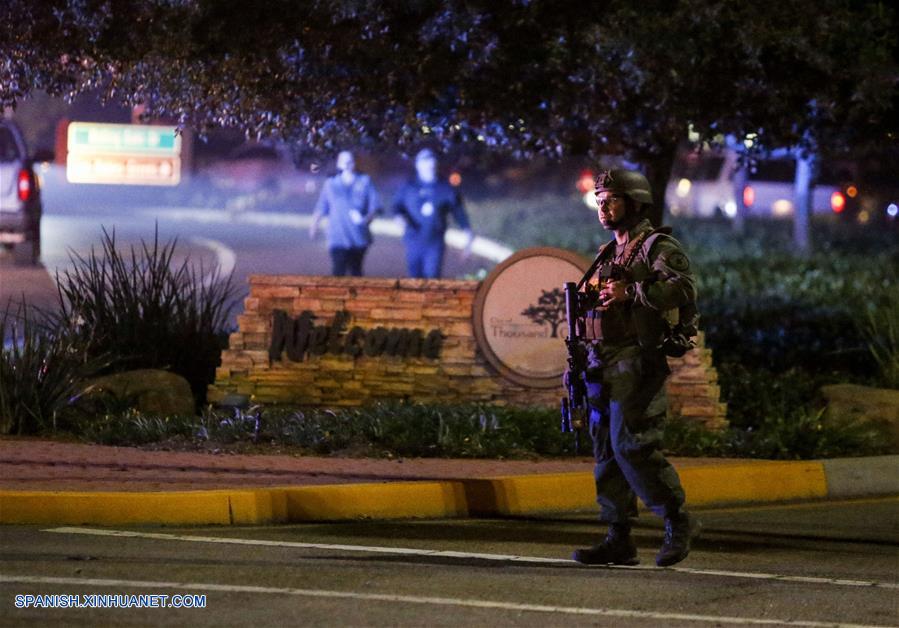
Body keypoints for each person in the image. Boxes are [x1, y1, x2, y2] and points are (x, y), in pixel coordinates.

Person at [570, 168, 701, 568]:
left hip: (636, 357)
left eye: (611, 199)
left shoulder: (656, 246)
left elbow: (684, 287)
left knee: (633, 444)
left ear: (635, 202)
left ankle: (678, 521)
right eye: (599, 200)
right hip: (600, 358)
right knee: (606, 450)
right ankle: (618, 537)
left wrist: (635, 291)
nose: (603, 207)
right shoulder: (608, 253)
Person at [392, 148, 474, 279]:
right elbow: (397, 206)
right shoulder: (408, 187)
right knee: (414, 279)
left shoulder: (446, 188)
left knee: (432, 278)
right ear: (417, 165)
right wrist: (398, 217)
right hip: (413, 240)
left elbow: (458, 212)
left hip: (435, 241)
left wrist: (467, 232)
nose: (428, 165)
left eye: (431, 161)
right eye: (424, 162)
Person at [309, 150, 380, 276]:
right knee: (338, 271)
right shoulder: (331, 184)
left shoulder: (364, 182)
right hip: (337, 237)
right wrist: (314, 226)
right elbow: (322, 206)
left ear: (354, 163)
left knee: (356, 272)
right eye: (343, 161)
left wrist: (366, 219)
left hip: (358, 237)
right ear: (338, 164)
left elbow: (374, 206)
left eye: (350, 161)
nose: (347, 164)